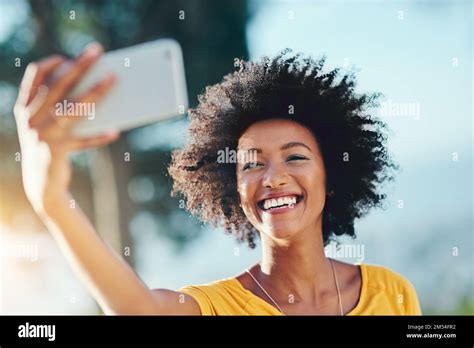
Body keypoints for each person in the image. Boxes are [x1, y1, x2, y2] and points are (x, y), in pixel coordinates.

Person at [14, 42, 421, 315]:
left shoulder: (393, 294)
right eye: (251, 164)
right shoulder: (217, 307)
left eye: (294, 157)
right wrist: (49, 198)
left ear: (331, 177)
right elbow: (137, 308)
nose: (274, 177)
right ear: (235, 190)